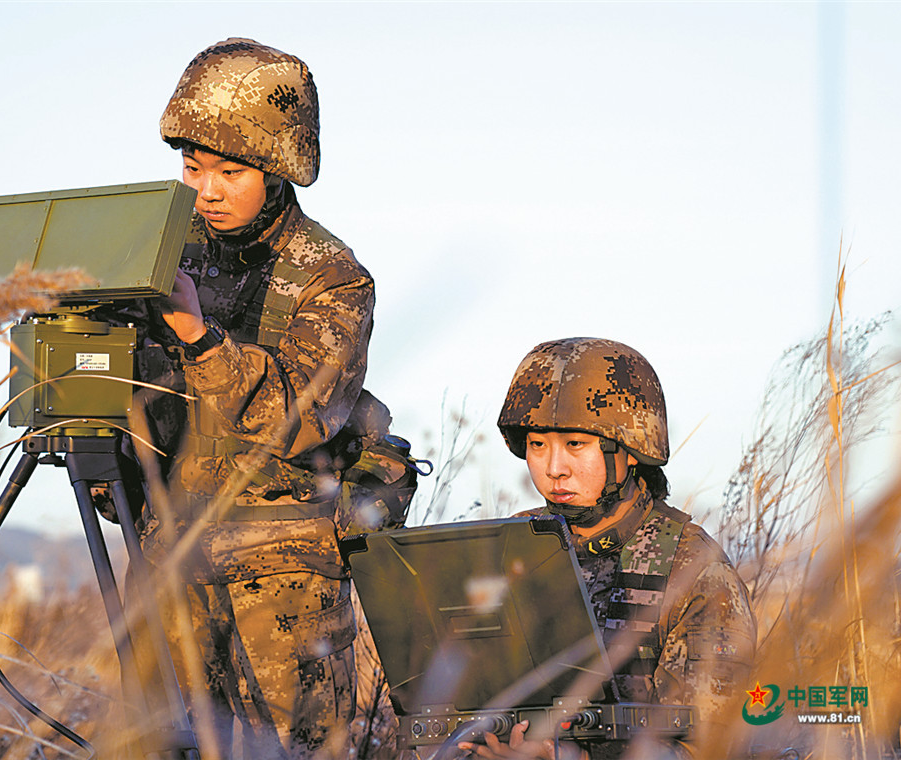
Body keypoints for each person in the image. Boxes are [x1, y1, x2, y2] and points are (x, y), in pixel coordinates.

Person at [120, 38, 394, 759]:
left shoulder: (332, 279)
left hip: (280, 586)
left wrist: (197, 336)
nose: (205, 190)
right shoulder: (157, 253)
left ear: (278, 169)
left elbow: (300, 418)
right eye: (192, 168)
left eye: (230, 171)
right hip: (168, 566)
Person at [459, 337, 756, 760]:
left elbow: (706, 745)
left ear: (630, 451)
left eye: (575, 444)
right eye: (537, 445)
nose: (553, 468)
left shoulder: (692, 571)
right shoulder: (508, 547)